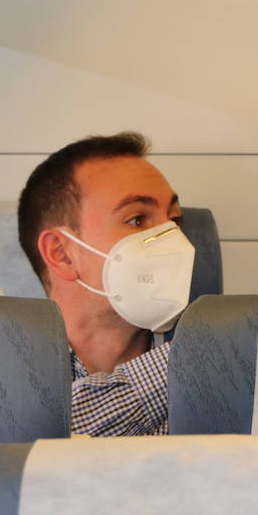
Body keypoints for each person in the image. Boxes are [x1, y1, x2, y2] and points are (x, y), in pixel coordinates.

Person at [18, 131, 193, 436]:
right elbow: (35, 442)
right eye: (137, 220)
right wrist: (192, 361)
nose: (173, 241)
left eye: (174, 221)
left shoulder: (225, 367)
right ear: (62, 254)